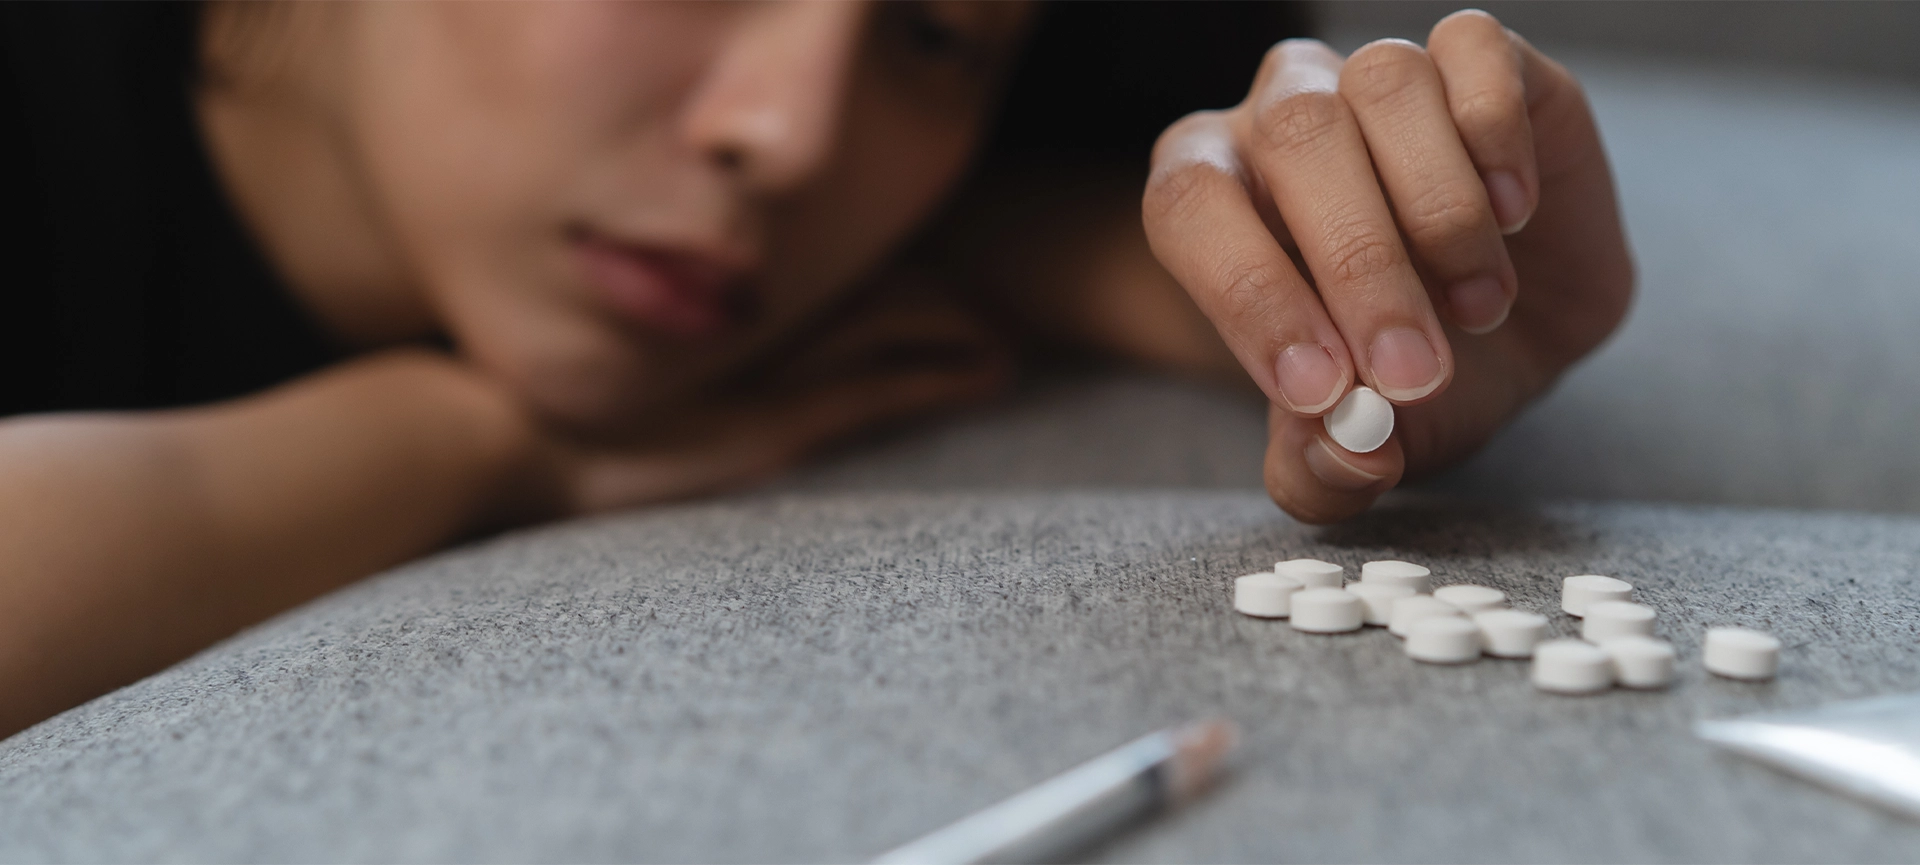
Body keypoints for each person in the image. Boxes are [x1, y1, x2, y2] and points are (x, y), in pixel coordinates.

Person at [0, 2, 1630, 737]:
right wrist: (463, 438)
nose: (788, 136)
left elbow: (1030, 215)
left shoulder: (883, 191)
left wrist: (1400, 301)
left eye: (930, 39)